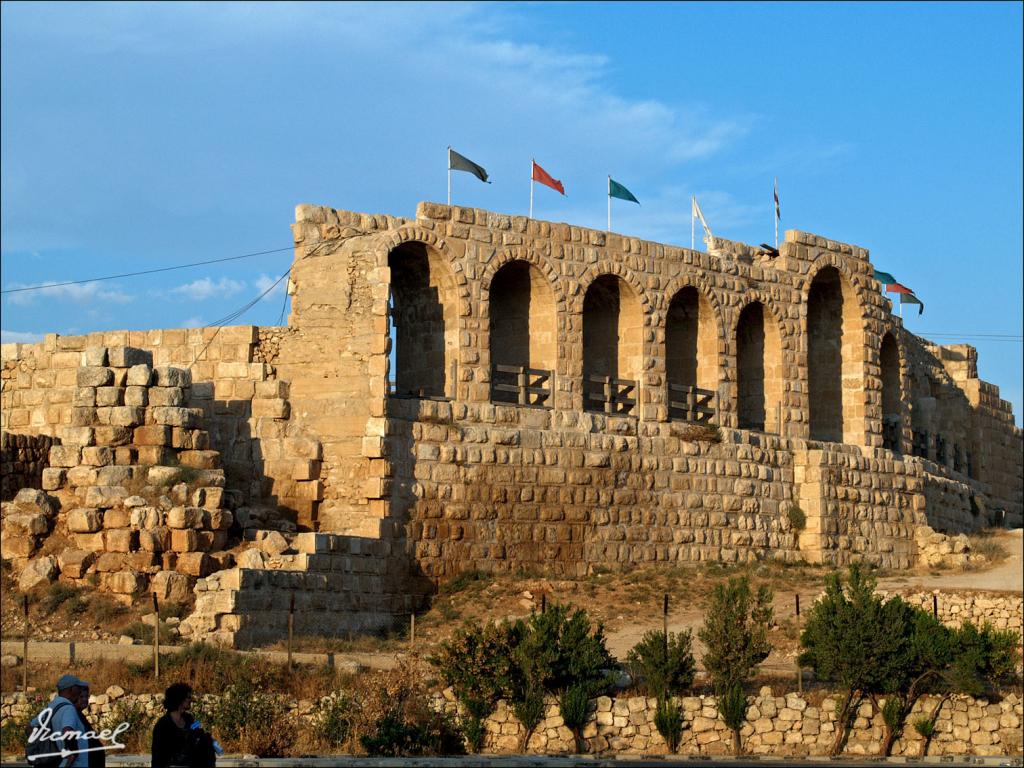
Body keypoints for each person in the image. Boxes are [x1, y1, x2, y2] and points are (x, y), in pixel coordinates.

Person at [26, 674, 90, 768]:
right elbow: (67, 731)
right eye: (78, 687)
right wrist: (73, 753)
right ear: (71, 689)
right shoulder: (69, 709)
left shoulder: (52, 706)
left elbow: (29, 727)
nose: (80, 690)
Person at [151, 683, 215, 768]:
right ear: (179, 699)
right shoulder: (163, 725)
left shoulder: (189, 719)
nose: (191, 700)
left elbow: (197, 731)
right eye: (188, 697)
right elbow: (157, 756)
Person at [74, 685, 105, 768]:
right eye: (81, 696)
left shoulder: (80, 715)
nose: (85, 699)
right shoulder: (74, 716)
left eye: (86, 696)